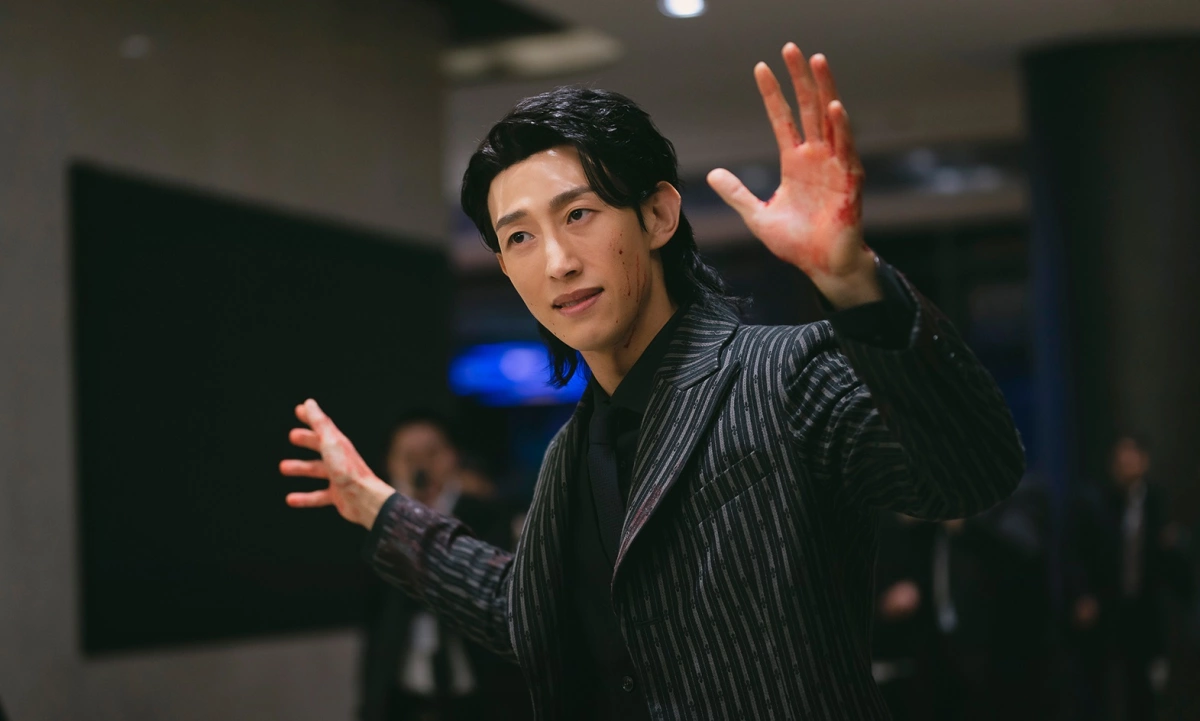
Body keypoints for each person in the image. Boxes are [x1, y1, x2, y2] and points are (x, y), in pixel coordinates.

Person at [280, 42, 1024, 719]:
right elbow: (526, 613)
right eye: (521, 237)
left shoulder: (778, 373)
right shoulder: (572, 454)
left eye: (580, 214)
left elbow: (968, 476)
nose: (557, 262)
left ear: (659, 215)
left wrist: (855, 282)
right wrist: (377, 506)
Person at [359, 412, 528, 721]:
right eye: (409, 457)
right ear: (390, 464)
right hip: (407, 693)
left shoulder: (486, 515)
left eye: (432, 453)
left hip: (483, 693)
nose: (421, 466)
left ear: (453, 456)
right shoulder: (379, 525)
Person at [1066, 434, 1192, 721]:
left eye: (1130, 460)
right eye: (1119, 461)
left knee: (1143, 689)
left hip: (1145, 609)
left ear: (1144, 462)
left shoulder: (1157, 502)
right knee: (1099, 686)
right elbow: (1077, 553)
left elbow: (1173, 559)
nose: (1124, 467)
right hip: (1106, 605)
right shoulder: (1095, 501)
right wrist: (1082, 595)